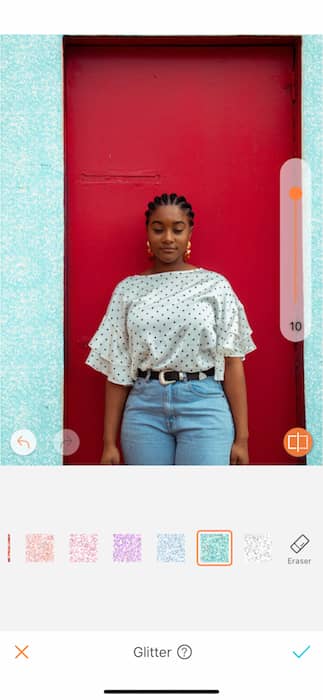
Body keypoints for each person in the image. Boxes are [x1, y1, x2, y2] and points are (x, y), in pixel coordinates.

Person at [85, 193, 256, 466]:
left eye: (177, 229)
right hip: (144, 409)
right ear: (148, 232)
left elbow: (233, 362)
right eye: (158, 228)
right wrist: (108, 442)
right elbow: (118, 369)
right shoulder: (127, 290)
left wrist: (242, 439)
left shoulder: (215, 286)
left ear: (189, 233)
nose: (167, 238)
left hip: (204, 405)